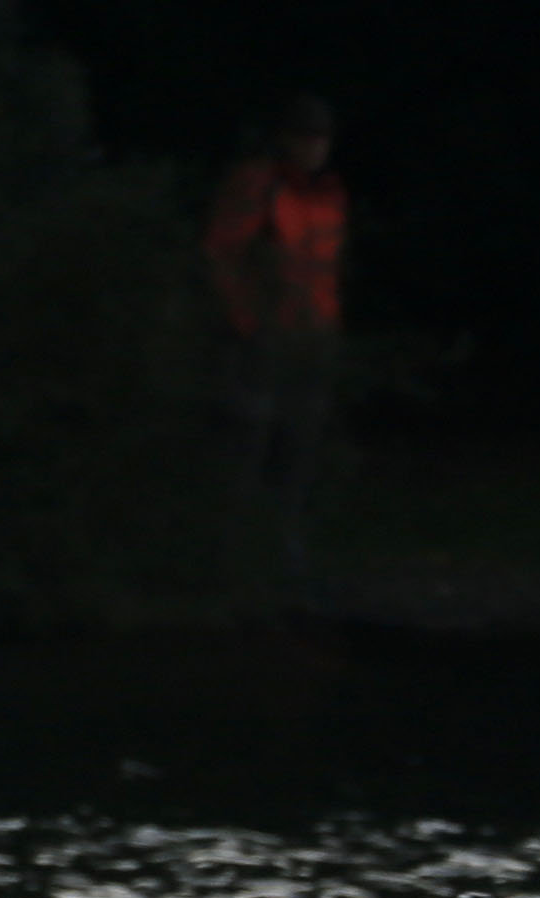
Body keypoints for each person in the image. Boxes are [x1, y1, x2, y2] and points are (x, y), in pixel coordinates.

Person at [203, 96, 348, 581]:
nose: (315, 146)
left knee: (298, 448)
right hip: (264, 339)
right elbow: (222, 255)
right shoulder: (259, 184)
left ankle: (282, 555)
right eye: (305, 136)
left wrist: (325, 328)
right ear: (285, 139)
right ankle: (230, 559)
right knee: (247, 445)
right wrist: (247, 320)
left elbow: (323, 268)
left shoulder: (325, 193)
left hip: (311, 340)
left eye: (321, 137)